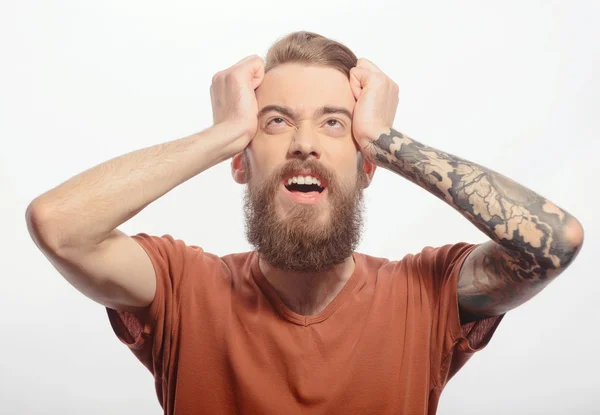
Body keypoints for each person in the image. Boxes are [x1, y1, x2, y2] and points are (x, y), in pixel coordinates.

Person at [26, 31, 584, 414]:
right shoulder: (181, 286)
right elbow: (58, 224)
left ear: (369, 165)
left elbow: (555, 242)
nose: (305, 145)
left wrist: (388, 139)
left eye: (335, 125)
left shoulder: (427, 293)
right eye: (276, 122)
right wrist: (222, 133)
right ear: (241, 161)